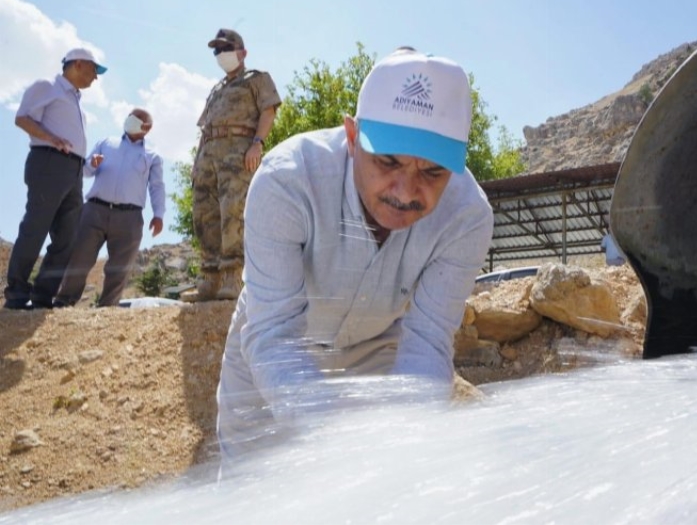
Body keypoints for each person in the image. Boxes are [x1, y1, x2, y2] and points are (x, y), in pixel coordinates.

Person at [215, 47, 495, 470]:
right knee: (248, 487)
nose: (404, 191)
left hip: (377, 349)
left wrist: (407, 435)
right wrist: (334, 441)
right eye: (388, 161)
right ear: (351, 136)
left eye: (432, 172)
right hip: (271, 346)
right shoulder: (287, 182)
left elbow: (428, 339)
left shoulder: (467, 218)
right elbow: (273, 333)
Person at [4, 48, 107, 310]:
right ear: (79, 64)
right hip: (48, 163)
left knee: (67, 237)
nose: (96, 78)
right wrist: (50, 137)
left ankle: (42, 295)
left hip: (72, 171)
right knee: (36, 227)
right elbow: (22, 118)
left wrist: (86, 163)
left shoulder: (76, 101)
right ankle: (16, 291)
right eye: (95, 70)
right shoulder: (47, 86)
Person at [189, 28, 282, 301]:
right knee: (204, 214)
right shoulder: (216, 89)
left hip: (238, 151)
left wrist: (258, 143)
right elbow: (205, 128)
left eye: (226, 48)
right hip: (209, 153)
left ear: (242, 52)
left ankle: (233, 277)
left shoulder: (257, 79)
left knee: (233, 212)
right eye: (217, 50)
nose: (221, 54)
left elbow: (269, 109)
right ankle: (209, 277)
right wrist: (197, 161)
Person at [53, 108, 165, 308]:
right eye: (130, 114)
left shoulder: (152, 156)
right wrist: (93, 162)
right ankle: (64, 301)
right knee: (80, 257)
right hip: (95, 211)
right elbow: (86, 171)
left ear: (146, 128)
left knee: (119, 267)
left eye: (136, 117)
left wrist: (158, 215)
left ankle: (107, 308)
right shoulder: (106, 144)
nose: (130, 118)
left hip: (129, 217)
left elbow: (156, 187)